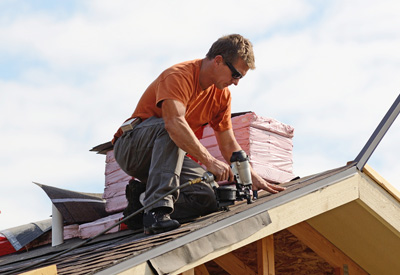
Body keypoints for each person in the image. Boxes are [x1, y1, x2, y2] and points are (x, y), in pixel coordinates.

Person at [112, 34, 285, 235]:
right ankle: (156, 213)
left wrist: (252, 177)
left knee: (206, 197)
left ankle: (140, 205)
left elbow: (228, 144)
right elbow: (174, 124)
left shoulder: (222, 96)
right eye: (236, 75)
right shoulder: (178, 76)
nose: (236, 83)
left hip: (166, 155)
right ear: (218, 60)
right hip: (132, 148)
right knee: (174, 128)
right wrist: (209, 161)